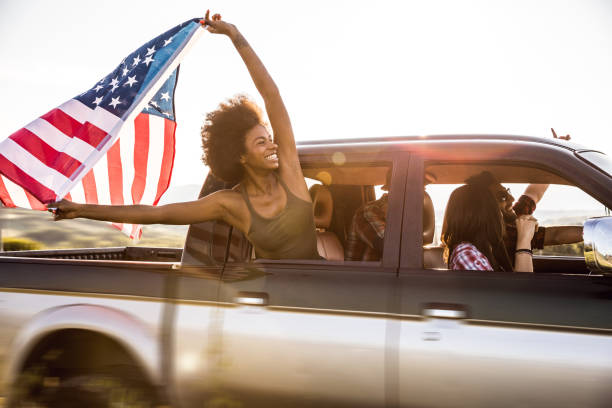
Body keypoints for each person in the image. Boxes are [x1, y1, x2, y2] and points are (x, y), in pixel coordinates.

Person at [49, 11, 320, 260]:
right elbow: (159, 214)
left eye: (270, 138)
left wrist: (235, 35)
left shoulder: (290, 173)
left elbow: (271, 96)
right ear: (240, 156)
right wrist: (82, 210)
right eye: (261, 142)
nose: (273, 145)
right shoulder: (231, 203)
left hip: (324, 290)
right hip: (279, 300)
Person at [465, 171, 583, 263]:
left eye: (507, 192)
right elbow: (556, 236)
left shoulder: (511, 218)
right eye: (502, 197)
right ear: (484, 208)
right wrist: (597, 230)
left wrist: (556, 157)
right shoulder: (506, 234)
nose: (512, 198)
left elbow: (534, 193)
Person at [443, 184, 538, 272]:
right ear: (482, 215)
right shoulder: (465, 254)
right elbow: (523, 289)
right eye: (495, 209)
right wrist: (524, 240)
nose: (500, 216)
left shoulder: (486, 247)